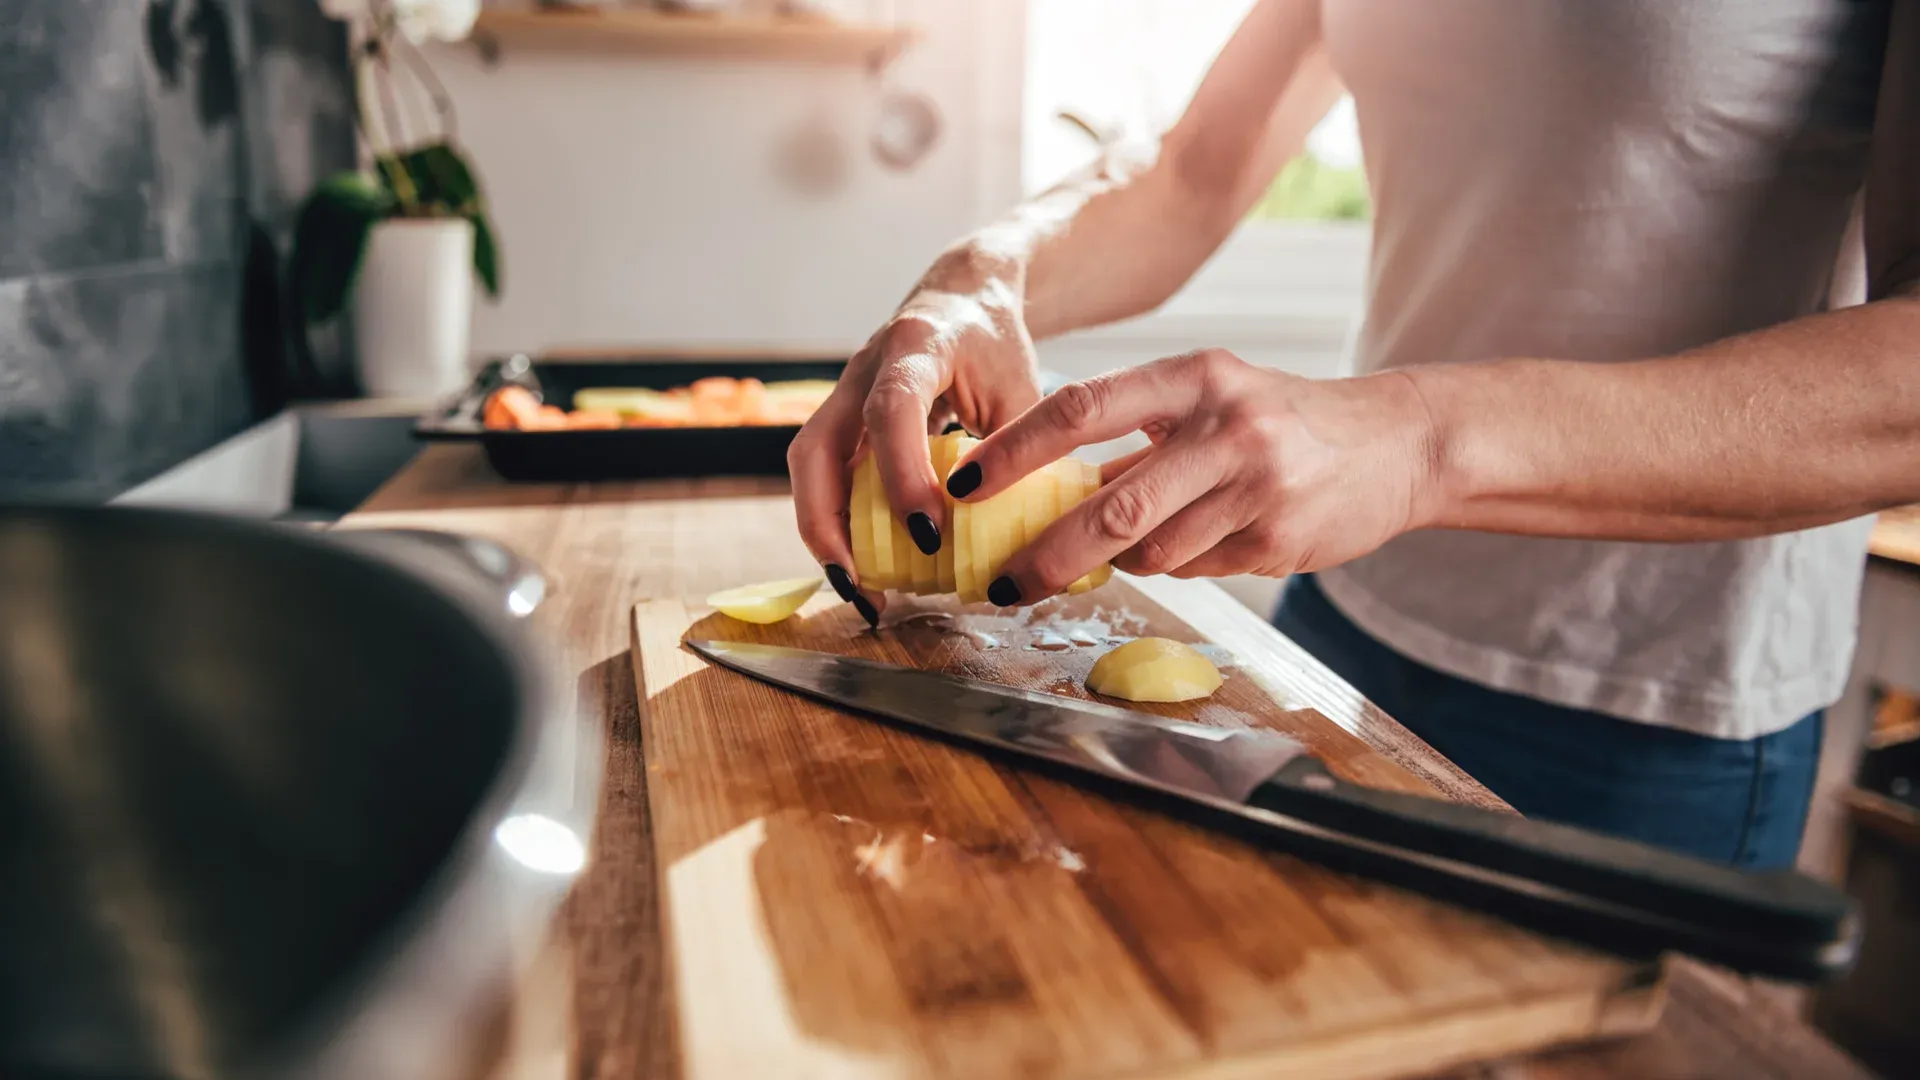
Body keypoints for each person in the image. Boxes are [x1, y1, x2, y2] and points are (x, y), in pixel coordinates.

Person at [787, 0, 1919, 870]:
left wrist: (1420, 440)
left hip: (1648, 710)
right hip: (1341, 634)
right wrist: (985, 276)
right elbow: (1193, 170)